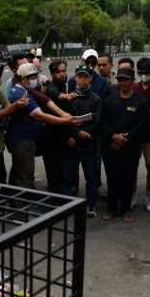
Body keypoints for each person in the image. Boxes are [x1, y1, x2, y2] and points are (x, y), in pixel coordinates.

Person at [6, 63, 78, 188]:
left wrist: (62, 113)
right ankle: (21, 205)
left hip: (26, 139)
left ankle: (14, 201)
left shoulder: (26, 89)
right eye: (33, 78)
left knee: (18, 173)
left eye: (36, 77)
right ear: (23, 79)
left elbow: (44, 99)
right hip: (22, 141)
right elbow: (41, 116)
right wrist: (65, 121)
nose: (37, 80)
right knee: (25, 178)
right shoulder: (21, 94)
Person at [101, 67, 148, 222]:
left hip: (130, 148)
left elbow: (142, 125)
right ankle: (112, 209)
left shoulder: (140, 102)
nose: (122, 83)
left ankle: (126, 210)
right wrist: (114, 136)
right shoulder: (109, 101)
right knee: (112, 179)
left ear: (132, 81)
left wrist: (125, 138)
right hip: (111, 147)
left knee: (128, 180)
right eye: (120, 79)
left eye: (126, 80)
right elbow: (103, 122)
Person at [60, 65, 102, 217]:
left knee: (91, 177)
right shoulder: (68, 98)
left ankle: (91, 205)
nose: (82, 80)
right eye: (79, 76)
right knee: (67, 176)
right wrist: (75, 134)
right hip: (71, 143)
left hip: (89, 145)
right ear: (75, 78)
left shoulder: (97, 99)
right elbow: (64, 119)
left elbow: (97, 122)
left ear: (91, 78)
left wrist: (84, 133)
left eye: (85, 76)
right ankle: (64, 205)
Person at [133, 57, 150, 212]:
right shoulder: (134, 88)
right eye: (141, 72)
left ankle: (149, 196)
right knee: (131, 166)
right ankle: (132, 194)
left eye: (147, 72)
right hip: (134, 136)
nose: (144, 75)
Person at [43, 60, 74, 193]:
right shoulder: (51, 87)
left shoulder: (63, 86)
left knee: (63, 171)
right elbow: (56, 94)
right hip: (51, 139)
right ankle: (55, 205)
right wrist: (66, 96)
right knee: (54, 172)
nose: (62, 74)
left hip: (63, 139)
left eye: (63, 71)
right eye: (58, 72)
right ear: (52, 74)